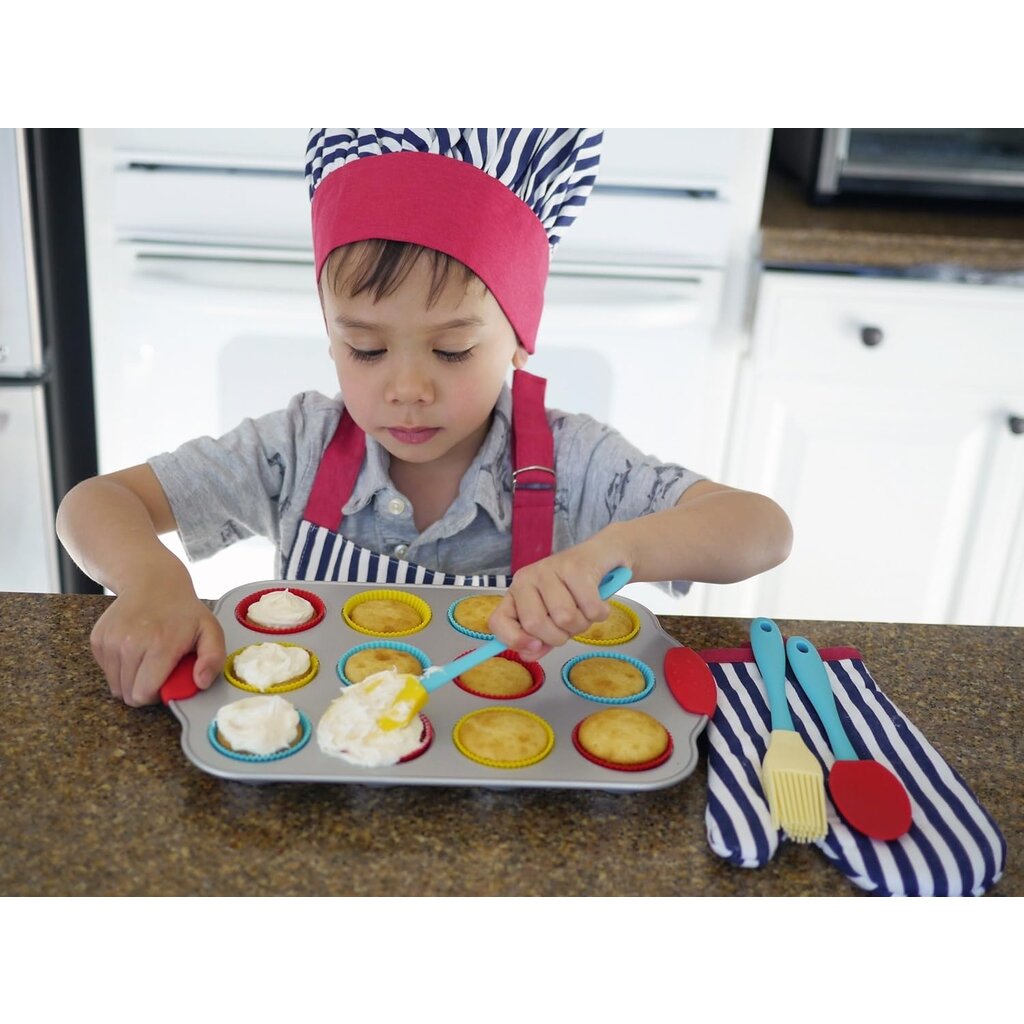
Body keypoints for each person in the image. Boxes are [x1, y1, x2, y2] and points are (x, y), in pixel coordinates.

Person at [57, 128, 792, 708]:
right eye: (366, 348)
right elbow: (95, 504)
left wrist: (621, 548)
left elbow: (760, 529)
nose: (406, 388)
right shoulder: (295, 449)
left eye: (452, 349)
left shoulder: (573, 464)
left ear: (519, 339)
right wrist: (155, 580)